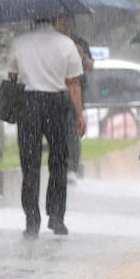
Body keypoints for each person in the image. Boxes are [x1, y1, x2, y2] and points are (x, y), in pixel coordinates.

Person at [8, 17, 86, 238]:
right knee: (59, 161)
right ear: (54, 19)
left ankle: (32, 220)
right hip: (56, 104)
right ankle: (56, 216)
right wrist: (79, 115)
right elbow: (73, 84)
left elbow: (12, 76)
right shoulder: (66, 44)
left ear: (33, 19)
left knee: (30, 164)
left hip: (28, 103)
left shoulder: (20, 42)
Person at [54, 16, 94, 179]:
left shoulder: (80, 42)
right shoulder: (54, 42)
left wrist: (82, 56)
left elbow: (90, 66)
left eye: (67, 21)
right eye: (61, 21)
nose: (65, 24)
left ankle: (72, 165)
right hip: (57, 88)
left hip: (76, 89)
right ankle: (60, 163)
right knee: (58, 128)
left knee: (73, 127)